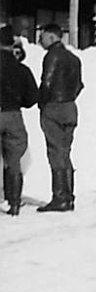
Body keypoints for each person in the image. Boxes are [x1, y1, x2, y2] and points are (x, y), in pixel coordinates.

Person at [37, 23, 84, 212]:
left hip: (54, 106)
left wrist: (42, 102)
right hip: (70, 107)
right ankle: (69, 196)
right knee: (65, 152)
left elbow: (47, 82)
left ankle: (59, 197)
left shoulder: (51, 56)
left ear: (50, 36)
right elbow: (79, 85)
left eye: (42, 36)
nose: (40, 39)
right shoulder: (74, 58)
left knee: (55, 152)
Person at [0, 25, 38, 216]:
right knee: (15, 160)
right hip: (13, 115)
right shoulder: (22, 69)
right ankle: (14, 203)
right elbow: (32, 98)